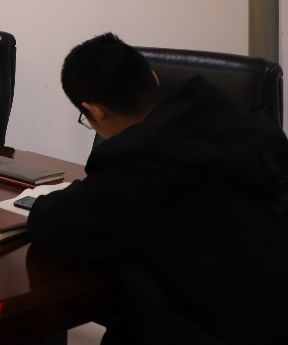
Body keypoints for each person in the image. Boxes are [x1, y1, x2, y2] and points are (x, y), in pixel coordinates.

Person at [27, 33, 288, 343]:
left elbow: (49, 222)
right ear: (153, 77)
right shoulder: (245, 125)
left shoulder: (140, 163)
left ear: (95, 111)